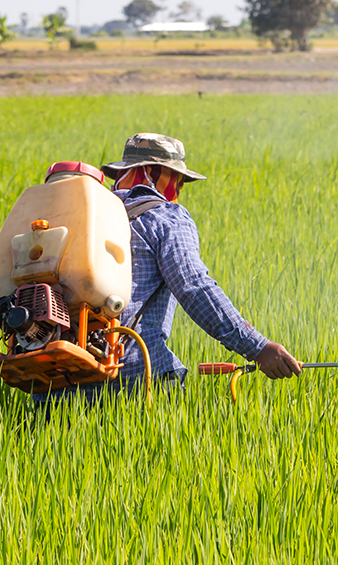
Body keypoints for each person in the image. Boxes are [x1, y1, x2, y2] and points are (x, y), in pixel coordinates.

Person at [100, 132, 302, 391]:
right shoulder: (165, 217)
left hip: (55, 377)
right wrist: (257, 347)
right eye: (178, 179)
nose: (180, 189)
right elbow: (194, 286)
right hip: (133, 372)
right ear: (152, 173)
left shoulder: (89, 217)